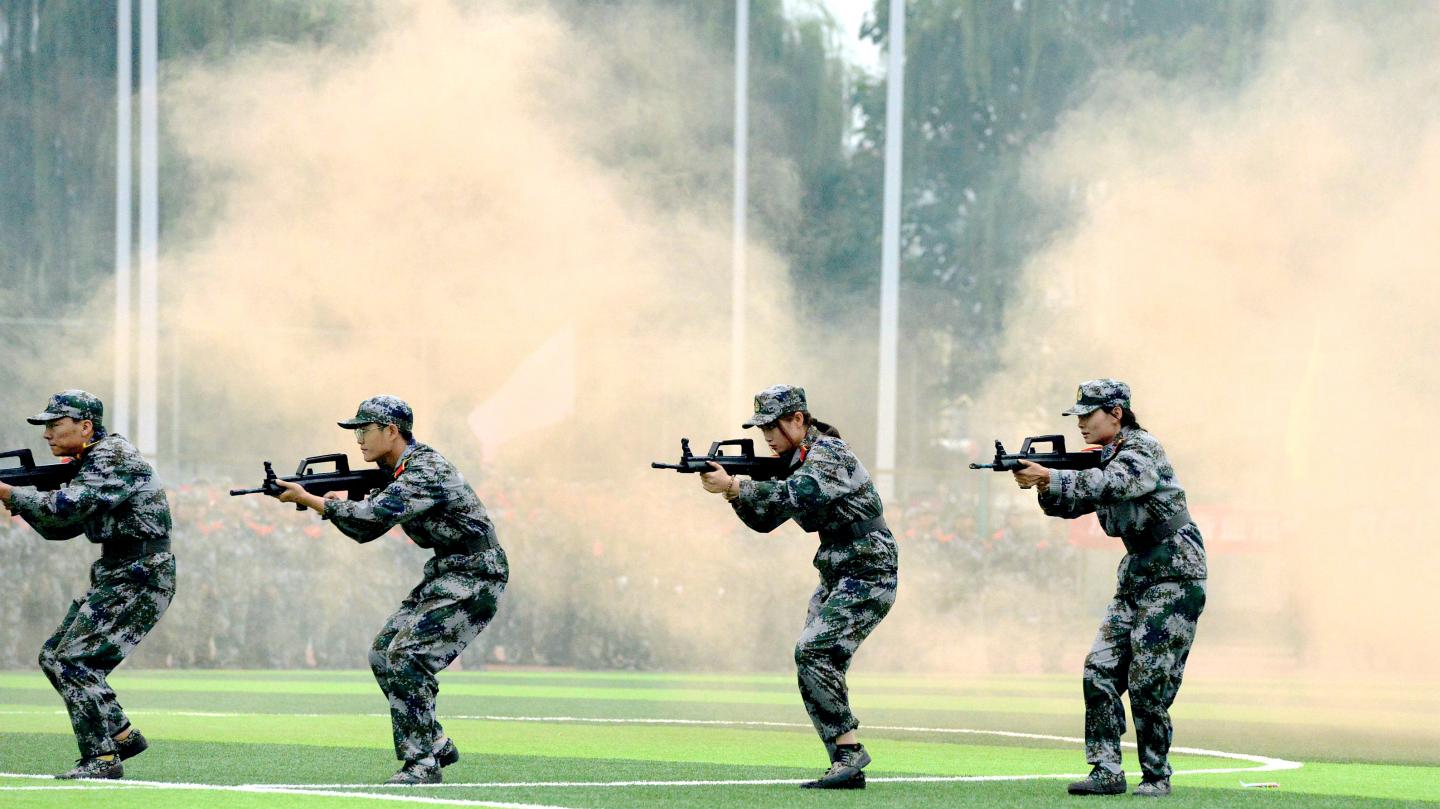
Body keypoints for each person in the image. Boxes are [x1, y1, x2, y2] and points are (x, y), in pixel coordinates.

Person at [271, 395, 508, 785]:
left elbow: (371, 519)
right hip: (448, 568)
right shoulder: (396, 470)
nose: (359, 439)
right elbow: (365, 529)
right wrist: (328, 501)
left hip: (477, 570)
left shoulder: (424, 469)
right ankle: (436, 743)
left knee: (407, 655)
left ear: (392, 431)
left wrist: (310, 500)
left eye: (364, 430)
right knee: (383, 653)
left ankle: (422, 764)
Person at [1012, 379, 1207, 798]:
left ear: (1116, 413)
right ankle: (1106, 770)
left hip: (1175, 571)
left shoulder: (1140, 449)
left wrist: (1053, 476)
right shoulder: (1103, 457)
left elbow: (1111, 485)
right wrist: (1042, 485)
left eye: (1088, 414)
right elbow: (1071, 505)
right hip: (1137, 572)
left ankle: (1156, 776)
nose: (1080, 422)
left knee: (1148, 679)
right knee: (1098, 670)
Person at [698, 384, 898, 790]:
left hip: (869, 567)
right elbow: (765, 521)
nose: (767, 436)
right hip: (837, 569)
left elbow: (798, 493)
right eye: (762, 428)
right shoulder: (794, 462)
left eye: (772, 426)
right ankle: (845, 759)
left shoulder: (828, 453)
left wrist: (736, 486)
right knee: (814, 660)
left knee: (813, 651)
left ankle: (849, 755)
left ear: (798, 419)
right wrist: (733, 495)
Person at [0, 390, 175, 780]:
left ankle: (102, 758)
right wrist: (17, 499)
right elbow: (59, 529)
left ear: (85, 426)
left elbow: (66, 510)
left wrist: (12, 494)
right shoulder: (89, 461)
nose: (47, 433)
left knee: (74, 661)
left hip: (141, 571)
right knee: (54, 656)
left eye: (55, 424)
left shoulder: (111, 457)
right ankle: (122, 736)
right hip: (120, 570)